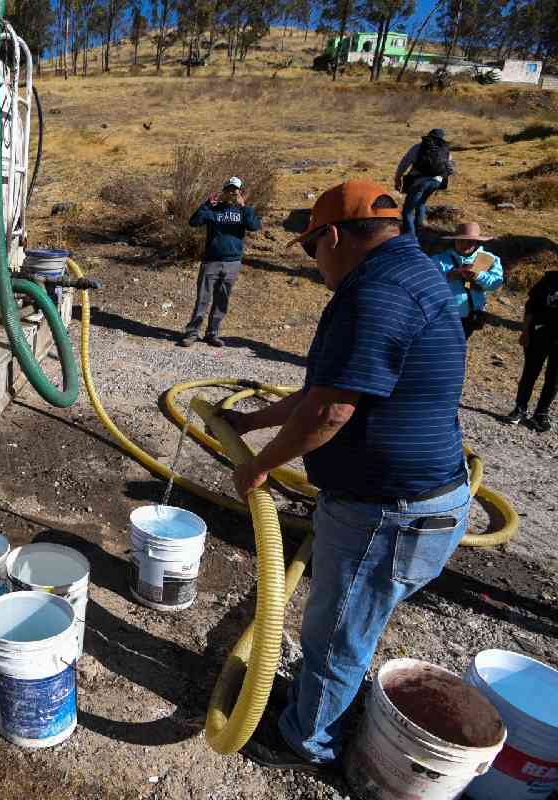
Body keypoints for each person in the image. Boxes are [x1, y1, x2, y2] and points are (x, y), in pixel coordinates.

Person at [221, 180, 470, 772]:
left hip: (389, 512)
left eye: (311, 249)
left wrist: (259, 466)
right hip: (403, 504)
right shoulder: (411, 272)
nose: (314, 265)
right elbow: (324, 393)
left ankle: (306, 741)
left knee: (336, 636)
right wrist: (253, 421)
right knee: (340, 622)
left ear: (332, 236)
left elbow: (332, 413)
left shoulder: (376, 294)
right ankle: (314, 707)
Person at [179, 177, 261, 348]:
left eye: (235, 190)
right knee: (203, 298)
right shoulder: (214, 209)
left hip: (233, 263)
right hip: (212, 261)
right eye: (229, 189)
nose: (232, 193)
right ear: (224, 192)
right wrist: (207, 204)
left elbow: (254, 226)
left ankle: (212, 333)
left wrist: (244, 206)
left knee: (222, 299)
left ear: (240, 192)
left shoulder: (244, 212)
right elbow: (194, 222)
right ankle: (192, 333)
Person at [506, 268, 558, 432]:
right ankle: (520, 408)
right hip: (540, 333)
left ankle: (541, 414)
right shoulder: (550, 279)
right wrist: (525, 331)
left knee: (554, 379)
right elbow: (531, 306)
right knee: (530, 373)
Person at [432, 222, 504, 340]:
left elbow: (495, 283)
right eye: (461, 240)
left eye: (470, 241)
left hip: (471, 317)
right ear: (454, 240)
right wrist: (449, 276)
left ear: (476, 242)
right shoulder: (439, 260)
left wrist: (478, 276)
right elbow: (428, 283)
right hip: (444, 316)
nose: (465, 244)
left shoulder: (489, 259)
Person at [394, 128, 455, 239]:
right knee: (421, 203)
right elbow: (450, 169)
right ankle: (420, 233)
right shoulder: (446, 151)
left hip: (419, 182)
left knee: (408, 210)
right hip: (435, 182)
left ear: (428, 136)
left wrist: (397, 178)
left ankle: (410, 237)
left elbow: (404, 163)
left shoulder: (418, 147)